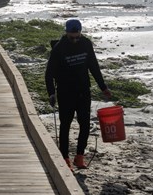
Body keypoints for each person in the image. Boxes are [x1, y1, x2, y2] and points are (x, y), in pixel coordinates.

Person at [45, 19, 112, 171]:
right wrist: (51, 93)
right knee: (65, 125)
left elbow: (94, 66)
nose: (75, 40)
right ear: (66, 32)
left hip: (83, 91)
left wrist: (103, 88)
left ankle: (79, 157)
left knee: (85, 124)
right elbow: (49, 74)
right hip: (65, 92)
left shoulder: (86, 44)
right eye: (72, 37)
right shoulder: (58, 48)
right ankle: (65, 159)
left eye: (77, 37)